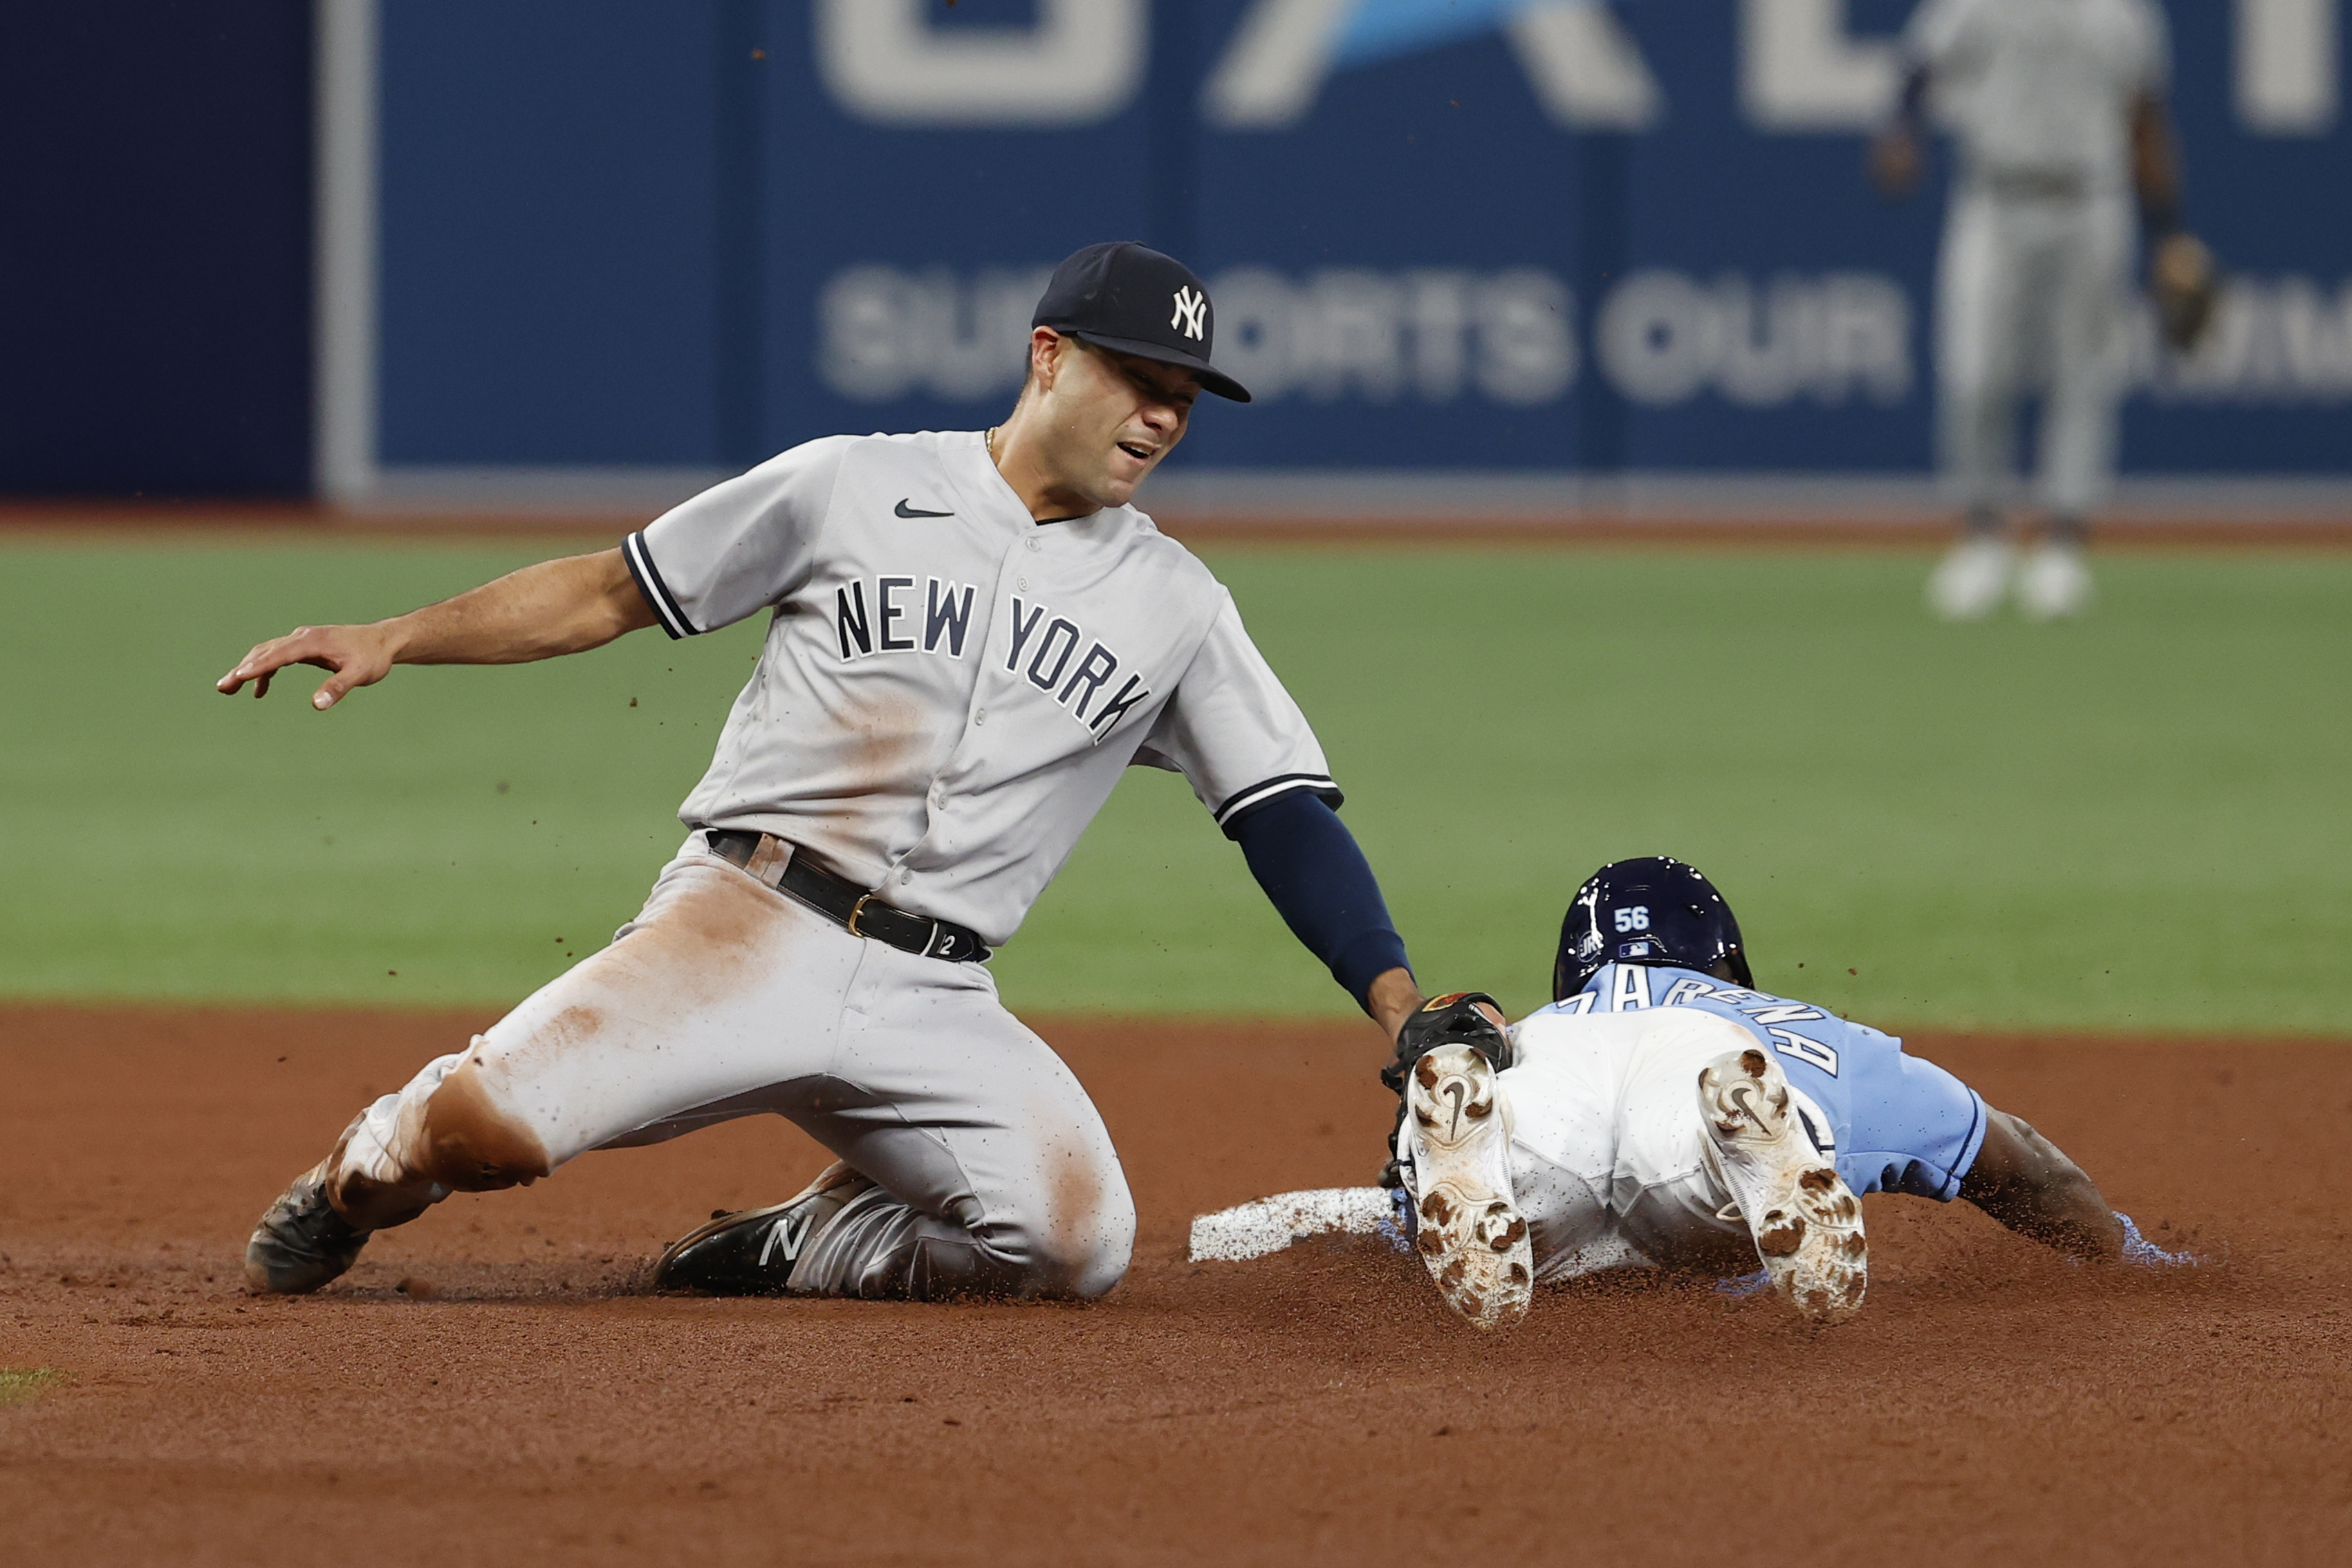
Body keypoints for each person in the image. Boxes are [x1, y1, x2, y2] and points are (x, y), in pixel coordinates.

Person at [221, 241, 1432, 1303]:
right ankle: (378, 1151)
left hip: (934, 996)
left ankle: (820, 1233)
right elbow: (610, 589)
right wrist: (398, 634)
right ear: (1049, 356)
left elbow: (1280, 813)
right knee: (484, 1135)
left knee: (1075, 1246)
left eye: (1185, 398)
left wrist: (1399, 1003)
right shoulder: (848, 483)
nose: (1163, 417)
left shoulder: (1178, 602)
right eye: (1141, 381)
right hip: (742, 925)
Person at [1383, 857, 2129, 1330]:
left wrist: (1407, 1182)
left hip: (1556, 1075)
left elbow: (1404, 1228)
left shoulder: (1527, 1032)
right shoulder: (1809, 1029)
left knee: (1527, 1147)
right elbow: (2023, 1166)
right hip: (1708, 1065)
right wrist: (2127, 1255)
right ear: (1727, 960)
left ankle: (1490, 1158)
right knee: (1692, 1154)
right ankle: (1737, 1141)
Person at [1871, 0, 2198, 622]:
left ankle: (2063, 542)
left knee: (2084, 373)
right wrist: (1898, 129)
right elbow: (1917, 66)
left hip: (2092, 199)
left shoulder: (2122, 15)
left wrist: (2168, 233)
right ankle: (1980, 535)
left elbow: (2145, 120)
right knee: (1973, 371)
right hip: (1993, 198)